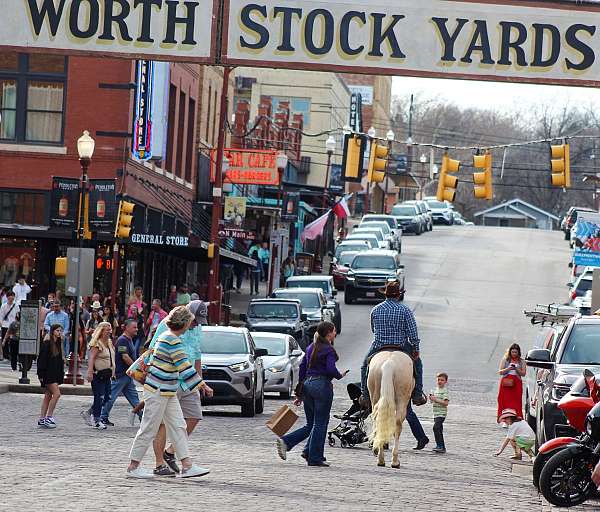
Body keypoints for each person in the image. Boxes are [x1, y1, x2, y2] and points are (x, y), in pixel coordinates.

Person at [126, 306, 210, 479]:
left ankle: (187, 465)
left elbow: (183, 367)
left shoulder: (167, 337)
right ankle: (133, 466)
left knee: (178, 426)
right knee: (149, 428)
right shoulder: (172, 340)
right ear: (185, 323)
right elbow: (185, 367)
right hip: (159, 391)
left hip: (166, 391)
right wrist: (203, 385)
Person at [147, 300, 213, 476]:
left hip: (189, 381)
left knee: (193, 417)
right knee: (163, 425)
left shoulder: (197, 328)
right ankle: (159, 463)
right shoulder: (167, 326)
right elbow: (153, 351)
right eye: (195, 321)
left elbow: (197, 354)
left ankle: (170, 453)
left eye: (200, 321)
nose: (197, 324)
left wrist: (199, 381)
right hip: (170, 381)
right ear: (187, 316)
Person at [276, 321, 349, 467]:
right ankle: (315, 457)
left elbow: (302, 368)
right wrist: (339, 375)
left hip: (308, 385)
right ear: (329, 333)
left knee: (311, 424)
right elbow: (330, 369)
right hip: (321, 386)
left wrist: (300, 392)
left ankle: (290, 443)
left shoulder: (310, 347)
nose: (335, 333)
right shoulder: (329, 350)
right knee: (321, 423)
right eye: (334, 331)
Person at [360, 281, 426, 407]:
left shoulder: (375, 310)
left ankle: (365, 396)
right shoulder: (405, 311)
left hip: (379, 345)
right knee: (418, 364)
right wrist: (416, 349)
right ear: (398, 295)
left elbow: (374, 329)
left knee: (364, 366)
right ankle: (417, 395)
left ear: (385, 295)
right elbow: (413, 334)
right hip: (401, 345)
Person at [98, 319, 142, 427]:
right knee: (111, 397)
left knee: (134, 397)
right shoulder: (122, 340)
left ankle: (143, 417)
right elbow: (125, 356)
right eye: (134, 327)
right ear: (126, 328)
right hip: (120, 374)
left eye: (136, 327)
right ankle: (101, 417)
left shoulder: (129, 339)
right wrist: (135, 368)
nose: (136, 329)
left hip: (127, 375)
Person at [86, 322, 116, 430]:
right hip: (98, 374)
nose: (109, 331)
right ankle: (96, 419)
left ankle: (89, 412)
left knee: (107, 396)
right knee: (99, 397)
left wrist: (113, 371)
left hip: (107, 374)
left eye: (110, 329)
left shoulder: (109, 342)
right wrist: (90, 372)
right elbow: (92, 358)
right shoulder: (97, 343)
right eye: (107, 329)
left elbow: (112, 358)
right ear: (101, 331)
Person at [37, 324, 65, 428]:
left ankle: (42, 418)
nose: (59, 333)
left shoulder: (57, 344)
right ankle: (49, 417)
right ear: (52, 331)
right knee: (57, 394)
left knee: (48, 396)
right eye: (57, 330)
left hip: (54, 374)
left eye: (60, 331)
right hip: (48, 374)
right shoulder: (47, 344)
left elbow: (58, 361)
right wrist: (41, 374)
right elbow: (42, 360)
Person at [497, 343, 526, 423]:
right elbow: (500, 372)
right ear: (510, 352)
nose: (514, 354)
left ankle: (516, 418)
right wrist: (508, 368)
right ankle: (505, 419)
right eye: (512, 352)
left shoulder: (522, 361)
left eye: (515, 352)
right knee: (504, 401)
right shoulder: (505, 359)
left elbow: (523, 374)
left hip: (517, 383)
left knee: (516, 401)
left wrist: (516, 369)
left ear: (518, 352)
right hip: (506, 382)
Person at [429, 372, 450, 454]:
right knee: (439, 429)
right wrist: (431, 398)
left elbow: (446, 403)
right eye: (438, 380)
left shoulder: (445, 391)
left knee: (436, 428)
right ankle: (441, 446)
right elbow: (432, 401)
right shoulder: (435, 390)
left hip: (441, 413)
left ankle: (440, 446)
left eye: (442, 380)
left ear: (445, 382)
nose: (440, 381)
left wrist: (435, 399)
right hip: (435, 413)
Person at [0, 291, 18, 360]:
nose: (12, 298)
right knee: (5, 341)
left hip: (14, 325)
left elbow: (18, 315)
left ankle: (12, 355)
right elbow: (1, 315)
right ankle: (5, 355)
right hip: (5, 325)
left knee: (13, 341)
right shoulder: (3, 306)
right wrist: (1, 324)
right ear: (7, 297)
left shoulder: (16, 306)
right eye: (10, 296)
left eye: (13, 296)